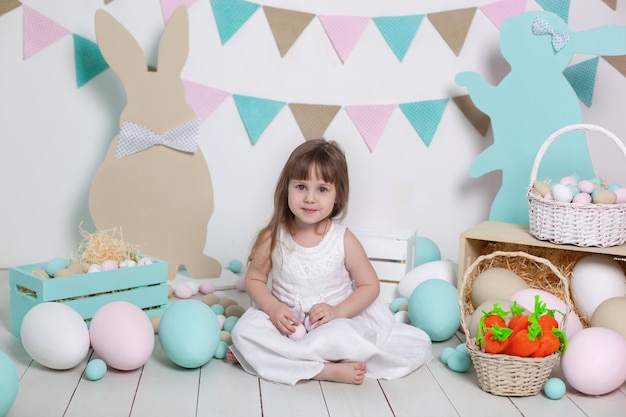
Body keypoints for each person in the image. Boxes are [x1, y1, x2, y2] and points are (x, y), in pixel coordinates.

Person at [228, 139, 433, 385]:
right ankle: (323, 369)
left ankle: (276, 359)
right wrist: (273, 309)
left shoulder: (343, 240)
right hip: (287, 324)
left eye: (322, 189)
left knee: (343, 337)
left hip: (333, 321)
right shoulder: (272, 237)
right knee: (244, 331)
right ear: (287, 189)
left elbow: (370, 286)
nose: (310, 198)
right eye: (301, 186)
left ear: (338, 196)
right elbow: (254, 279)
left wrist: (338, 312)